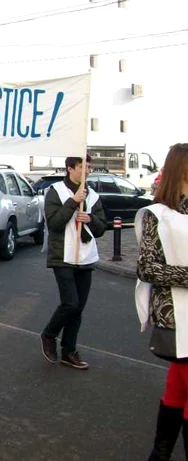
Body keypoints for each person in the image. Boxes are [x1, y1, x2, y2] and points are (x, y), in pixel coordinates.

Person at [135, 144, 188, 460]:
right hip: (175, 317)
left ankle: (160, 454)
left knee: (176, 390)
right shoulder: (157, 215)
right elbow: (147, 267)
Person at [40, 155, 106, 369]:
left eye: (89, 166)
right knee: (70, 303)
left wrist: (91, 219)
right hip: (63, 256)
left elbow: (101, 228)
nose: (87, 170)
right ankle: (49, 334)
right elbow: (54, 223)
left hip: (85, 256)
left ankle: (69, 351)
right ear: (70, 168)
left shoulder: (93, 195)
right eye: (82, 166)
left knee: (78, 309)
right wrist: (73, 201)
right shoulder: (56, 191)